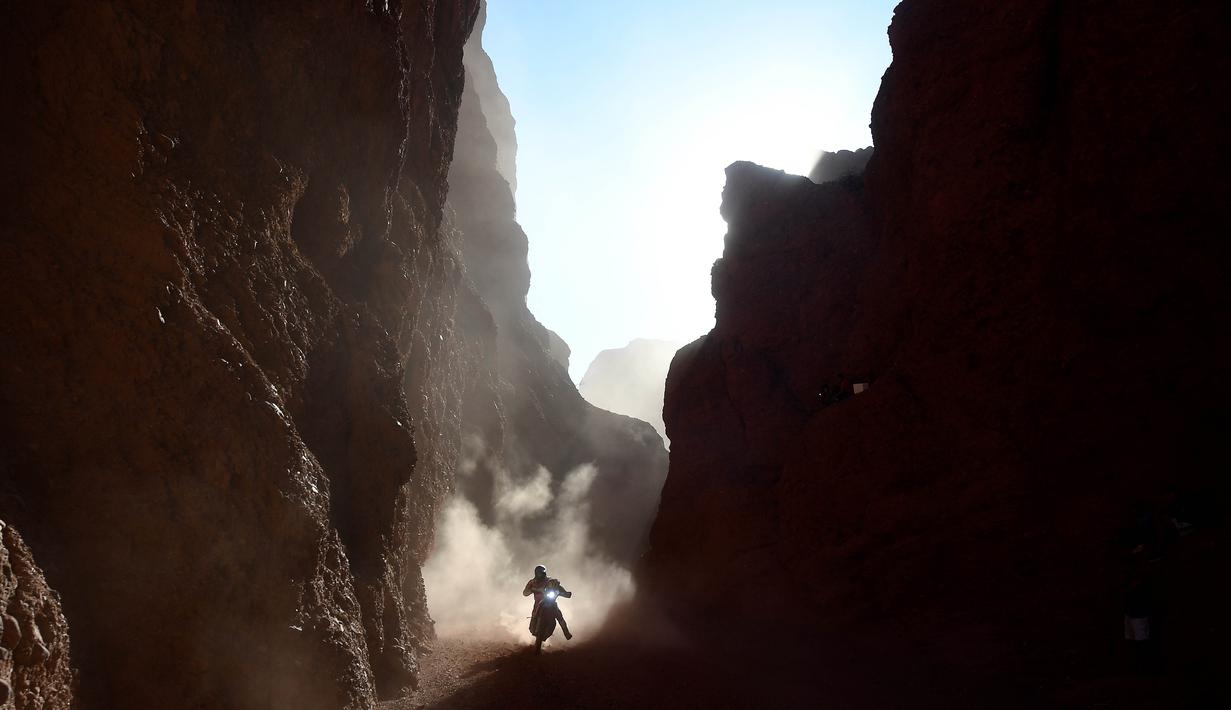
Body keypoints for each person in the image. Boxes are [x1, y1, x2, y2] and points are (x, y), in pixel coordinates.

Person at [522, 564, 573, 641]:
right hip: (538, 604)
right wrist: (532, 590)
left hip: (551, 602)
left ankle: (567, 633)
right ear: (536, 573)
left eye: (542, 573)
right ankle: (534, 629)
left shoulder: (550, 581)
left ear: (544, 573)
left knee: (559, 616)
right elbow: (525, 593)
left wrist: (564, 593)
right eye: (539, 573)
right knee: (533, 622)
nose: (540, 575)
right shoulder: (532, 582)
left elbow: (558, 587)